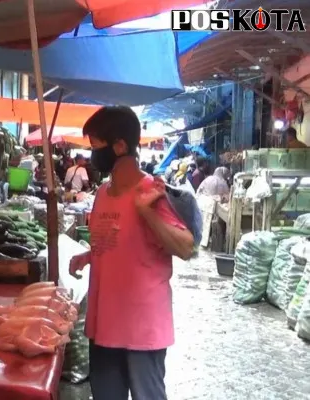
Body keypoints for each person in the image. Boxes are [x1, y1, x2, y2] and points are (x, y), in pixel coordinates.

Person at [68, 106, 194, 400]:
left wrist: (147, 213)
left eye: (95, 146)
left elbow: (186, 246)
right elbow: (118, 241)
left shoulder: (151, 191)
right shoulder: (101, 193)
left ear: (120, 146)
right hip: (103, 324)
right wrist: (88, 256)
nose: (91, 154)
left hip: (142, 329)